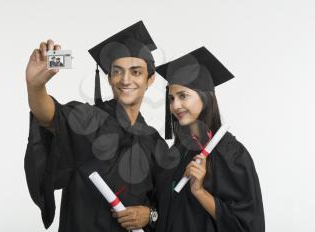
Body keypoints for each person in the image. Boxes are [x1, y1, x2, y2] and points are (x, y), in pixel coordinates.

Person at [24, 21, 168, 232]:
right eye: (117, 72)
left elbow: (167, 203)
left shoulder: (154, 142)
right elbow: (49, 116)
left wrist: (151, 215)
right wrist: (36, 87)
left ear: (150, 79)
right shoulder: (88, 119)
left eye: (136, 72)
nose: (126, 79)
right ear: (109, 78)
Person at [155, 46, 265, 232]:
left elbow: (247, 226)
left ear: (205, 97)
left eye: (183, 96)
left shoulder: (230, 153)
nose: (175, 105)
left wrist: (199, 192)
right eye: (172, 98)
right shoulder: (178, 152)